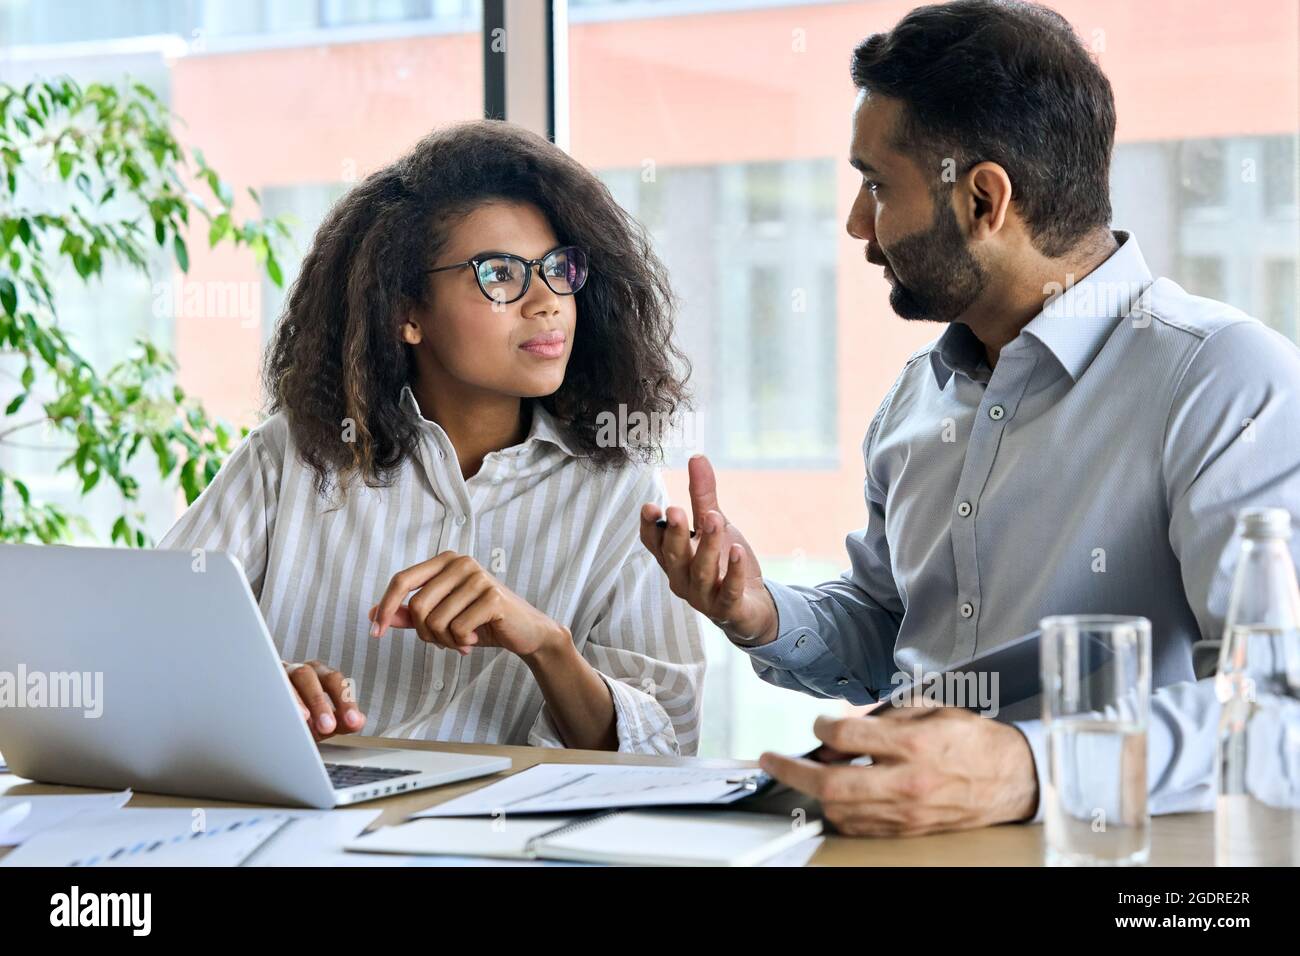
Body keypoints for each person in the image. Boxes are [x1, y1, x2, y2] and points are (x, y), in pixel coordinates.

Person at [639, 0, 1300, 834]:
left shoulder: (1223, 380)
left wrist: (1027, 768)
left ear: (985, 199)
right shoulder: (920, 395)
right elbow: (888, 631)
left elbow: (1282, 711)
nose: (856, 225)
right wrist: (759, 612)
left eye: (877, 186)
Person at [159, 120, 706, 756]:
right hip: (310, 829)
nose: (547, 300)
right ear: (406, 313)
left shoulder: (618, 489)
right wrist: (257, 687)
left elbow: (668, 748)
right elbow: (143, 642)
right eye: (500, 273)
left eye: (559, 268)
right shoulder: (293, 456)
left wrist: (547, 645)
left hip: (500, 847)